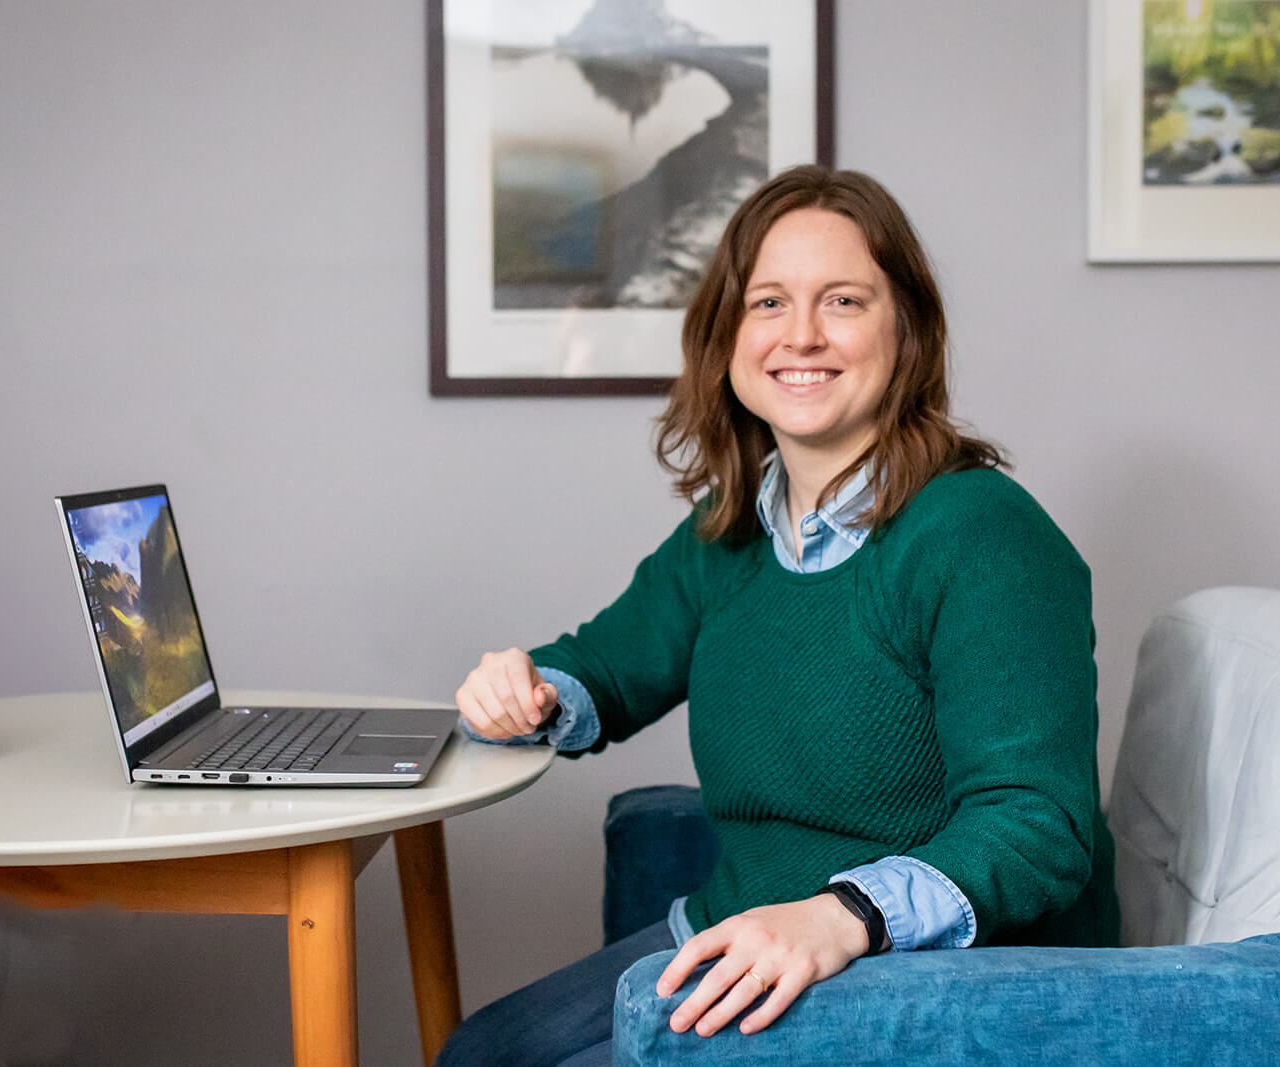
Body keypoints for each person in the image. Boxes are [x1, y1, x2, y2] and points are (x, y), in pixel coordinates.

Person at [437, 164, 1118, 1067]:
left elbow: (1040, 824)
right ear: (727, 336)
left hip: (918, 974)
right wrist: (523, 689)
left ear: (905, 330)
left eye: (842, 300)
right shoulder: (733, 529)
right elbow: (604, 669)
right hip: (742, 933)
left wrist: (843, 915)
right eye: (768, 303)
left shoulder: (984, 536)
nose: (801, 335)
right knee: (478, 1055)